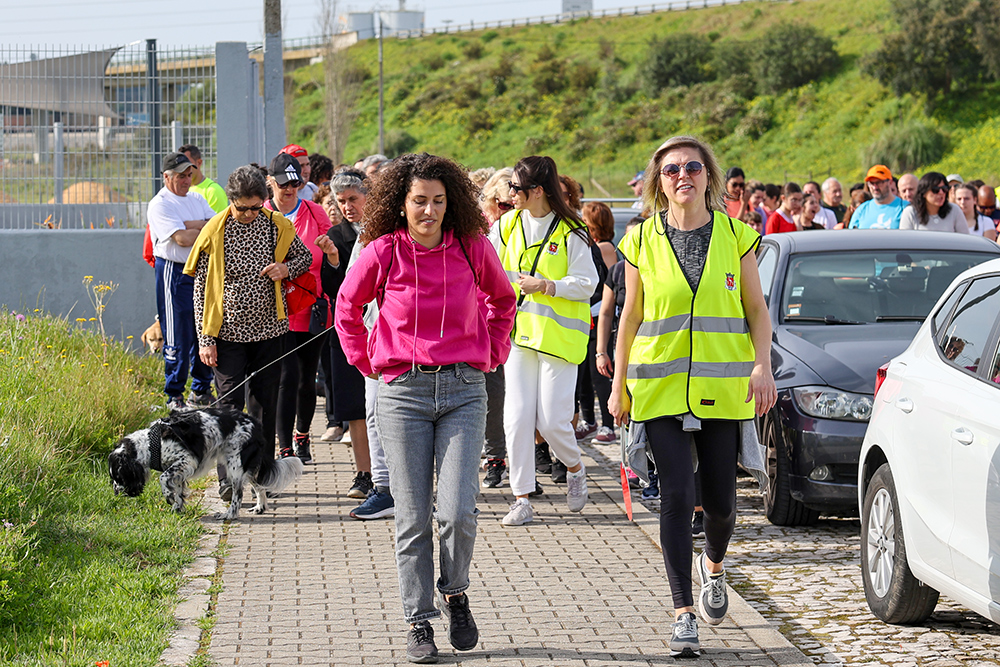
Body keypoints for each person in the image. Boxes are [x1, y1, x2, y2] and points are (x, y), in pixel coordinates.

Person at [334, 153, 516, 663]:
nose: (429, 211)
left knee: (458, 511)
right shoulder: (382, 250)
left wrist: (493, 353)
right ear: (401, 204)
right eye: (419, 201)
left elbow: (504, 302)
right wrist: (365, 360)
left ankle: (454, 591)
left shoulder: (473, 247)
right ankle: (418, 621)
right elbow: (347, 307)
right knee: (412, 517)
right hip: (402, 394)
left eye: (438, 201)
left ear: (451, 202)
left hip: (463, 389)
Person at [608, 135, 776, 659]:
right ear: (659, 182)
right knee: (678, 497)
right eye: (671, 169)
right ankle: (683, 612)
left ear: (709, 176)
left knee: (722, 505)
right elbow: (630, 315)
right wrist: (617, 384)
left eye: (693, 167)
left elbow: (755, 310)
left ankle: (715, 567)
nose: (683, 176)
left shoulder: (738, 236)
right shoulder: (639, 240)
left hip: (722, 389)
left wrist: (762, 366)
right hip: (658, 387)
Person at [185, 165, 312, 497]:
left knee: (264, 407)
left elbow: (304, 257)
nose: (249, 214)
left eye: (256, 207)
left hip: (270, 332)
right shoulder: (215, 230)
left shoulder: (275, 226)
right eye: (243, 208)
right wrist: (205, 339)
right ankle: (229, 482)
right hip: (226, 336)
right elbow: (200, 290)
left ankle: (261, 474)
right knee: (228, 407)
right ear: (230, 202)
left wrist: (285, 268)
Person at [491, 156, 598, 526]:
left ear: (537, 191)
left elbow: (588, 282)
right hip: (519, 336)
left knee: (553, 422)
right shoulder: (506, 225)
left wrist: (547, 286)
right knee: (517, 417)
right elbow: (488, 267)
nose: (509, 195)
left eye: (516, 188)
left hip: (559, 340)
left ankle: (574, 466)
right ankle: (521, 496)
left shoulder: (572, 229)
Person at [262, 153, 333, 465]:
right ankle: (284, 445)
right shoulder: (259, 215)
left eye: (295, 182)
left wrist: (328, 256)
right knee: (285, 376)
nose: (290, 188)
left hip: (310, 305)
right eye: (283, 183)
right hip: (276, 310)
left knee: (306, 377)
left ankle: (302, 435)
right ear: (270, 183)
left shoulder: (315, 213)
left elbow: (331, 257)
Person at [317, 169, 379, 504]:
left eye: (353, 199)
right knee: (355, 406)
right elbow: (335, 291)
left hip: (383, 328)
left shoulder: (387, 230)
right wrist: (332, 260)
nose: (347, 207)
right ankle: (364, 472)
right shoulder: (335, 235)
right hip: (348, 331)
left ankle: (388, 474)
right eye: (341, 202)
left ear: (368, 196)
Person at [147, 151, 216, 410]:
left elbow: (215, 227)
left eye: (189, 174)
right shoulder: (161, 203)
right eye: (180, 176)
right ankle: (174, 393)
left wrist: (191, 224)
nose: (186, 180)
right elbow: (182, 240)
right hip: (174, 271)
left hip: (200, 271)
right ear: (166, 177)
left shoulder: (197, 198)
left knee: (203, 329)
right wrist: (200, 227)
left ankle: (200, 389)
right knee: (177, 332)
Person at [478, 167, 515, 489]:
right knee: (488, 395)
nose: (507, 211)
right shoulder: (478, 231)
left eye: (511, 204)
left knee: (502, 396)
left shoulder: (517, 229)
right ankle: (492, 456)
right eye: (501, 205)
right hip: (476, 325)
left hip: (509, 323)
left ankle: (505, 458)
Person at [579, 201, 617, 445]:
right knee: (583, 374)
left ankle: (608, 424)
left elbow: (613, 284)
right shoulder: (591, 246)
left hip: (598, 317)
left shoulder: (604, 248)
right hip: (586, 316)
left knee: (599, 374)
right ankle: (590, 421)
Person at [900, 172, 970, 234]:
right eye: (935, 190)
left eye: (944, 189)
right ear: (924, 193)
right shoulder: (910, 213)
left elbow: (965, 240)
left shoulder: (954, 210)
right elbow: (905, 243)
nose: (941, 193)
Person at [849, 165, 908, 229]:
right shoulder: (862, 210)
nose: (875, 187)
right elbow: (851, 236)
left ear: (890, 182)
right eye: (871, 183)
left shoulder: (905, 208)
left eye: (879, 183)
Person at [180, 144, 228, 212]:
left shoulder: (213, 191)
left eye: (188, 164)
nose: (184, 168)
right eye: (181, 165)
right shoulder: (179, 190)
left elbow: (217, 222)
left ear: (199, 163)